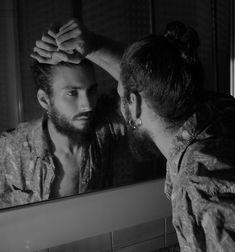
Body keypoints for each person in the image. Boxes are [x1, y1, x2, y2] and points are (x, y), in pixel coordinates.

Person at [32, 19, 235, 251]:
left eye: (118, 92)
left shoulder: (201, 190)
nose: (93, 104)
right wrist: (92, 44)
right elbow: (150, 83)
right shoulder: (227, 113)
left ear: (134, 104)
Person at [0, 48, 141, 209]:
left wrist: (92, 47)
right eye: (72, 93)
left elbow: (145, 88)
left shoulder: (105, 127)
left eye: (91, 91)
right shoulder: (11, 147)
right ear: (45, 100)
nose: (88, 105)